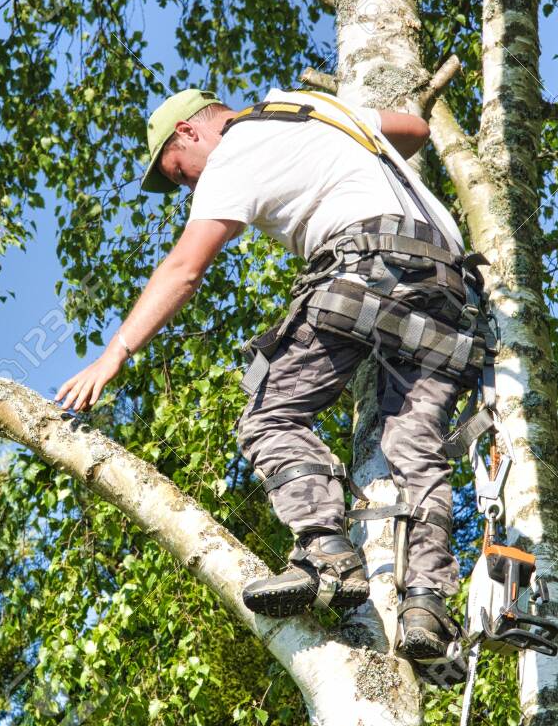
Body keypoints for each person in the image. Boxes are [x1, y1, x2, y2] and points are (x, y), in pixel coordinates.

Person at [54, 87, 488, 669]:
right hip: (448, 290)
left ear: (189, 131)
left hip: (364, 270)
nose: (187, 188)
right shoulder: (315, 113)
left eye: (180, 175)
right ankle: (427, 605)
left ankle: (326, 552)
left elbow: (186, 268)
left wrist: (114, 354)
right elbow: (414, 128)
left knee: (268, 415)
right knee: (416, 444)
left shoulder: (237, 148)